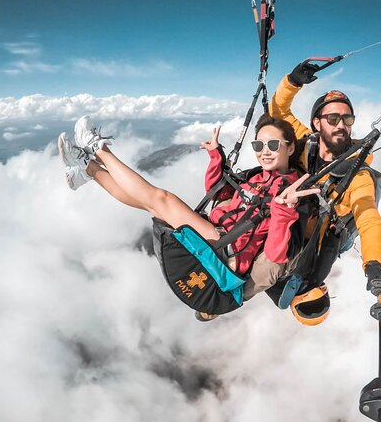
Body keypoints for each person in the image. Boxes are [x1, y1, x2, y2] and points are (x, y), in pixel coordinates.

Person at [56, 114, 319, 321]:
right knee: (151, 205)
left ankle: (98, 150)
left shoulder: (294, 192)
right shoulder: (257, 175)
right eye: (259, 144)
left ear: (290, 147)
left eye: (273, 145)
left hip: (226, 251)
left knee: (161, 200)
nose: (265, 151)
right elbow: (220, 192)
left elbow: (277, 255)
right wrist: (216, 157)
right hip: (217, 233)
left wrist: (284, 211)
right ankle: (87, 169)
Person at [267, 60, 381, 313]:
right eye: (332, 118)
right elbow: (279, 113)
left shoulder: (356, 173)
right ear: (316, 123)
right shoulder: (307, 142)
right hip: (292, 219)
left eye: (347, 118)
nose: (341, 124)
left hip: (321, 237)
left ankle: (308, 296)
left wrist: (374, 263)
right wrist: (292, 82)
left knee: (305, 278)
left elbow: (368, 215)